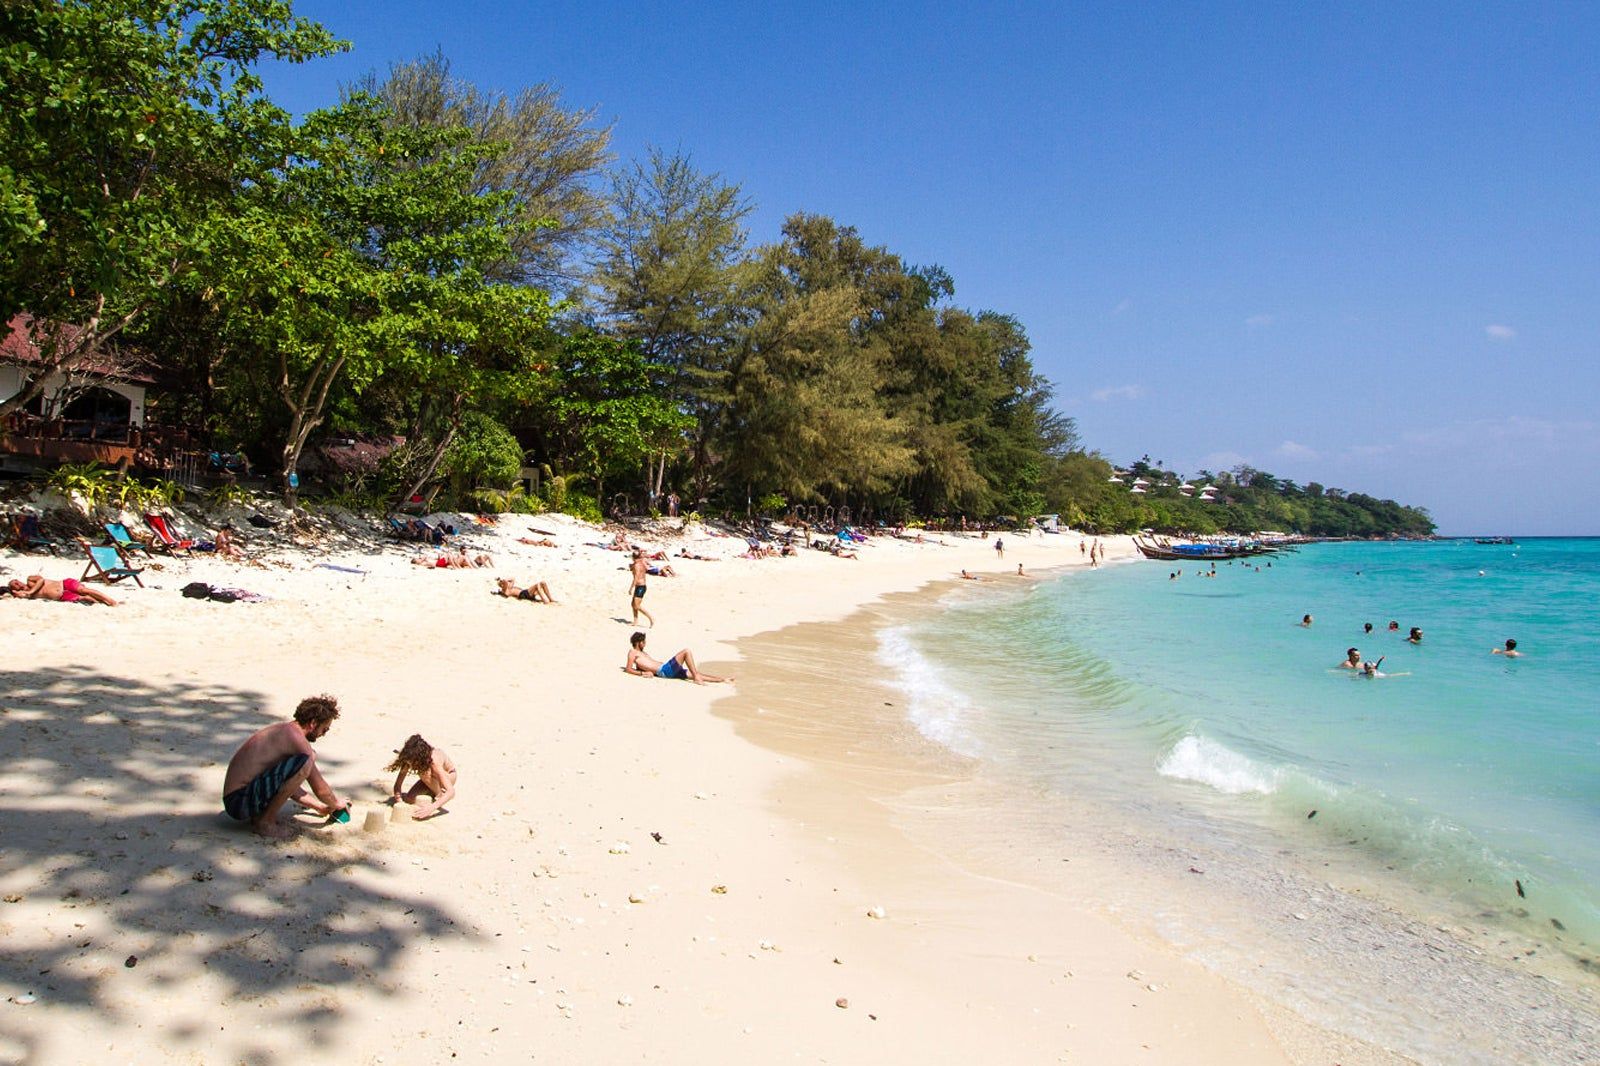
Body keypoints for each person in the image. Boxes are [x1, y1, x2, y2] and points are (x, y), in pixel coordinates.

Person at [221, 695, 349, 840]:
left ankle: (262, 817)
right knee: (307, 760)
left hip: (238, 797)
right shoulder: (297, 740)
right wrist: (337, 803)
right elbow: (320, 789)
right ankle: (265, 823)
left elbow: (287, 782)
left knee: (305, 760)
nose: (323, 734)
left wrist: (320, 807)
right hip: (239, 801)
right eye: (324, 729)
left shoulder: (286, 731)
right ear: (313, 723)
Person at [387, 734, 457, 820]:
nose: (410, 765)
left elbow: (451, 792)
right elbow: (398, 785)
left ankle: (439, 794)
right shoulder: (409, 757)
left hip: (449, 776)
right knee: (410, 799)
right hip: (430, 779)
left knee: (426, 772)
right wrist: (400, 802)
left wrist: (431, 808)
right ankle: (433, 792)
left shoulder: (433, 761)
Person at [624, 631, 733, 685]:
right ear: (638, 642)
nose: (645, 644)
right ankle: (696, 678)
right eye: (644, 642)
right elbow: (628, 669)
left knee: (695, 672)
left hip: (666, 669)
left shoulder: (643, 653)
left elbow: (642, 666)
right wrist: (642, 674)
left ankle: (722, 679)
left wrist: (645, 672)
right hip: (665, 670)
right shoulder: (633, 652)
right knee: (686, 651)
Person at [5, 575, 118, 606]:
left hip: (64, 584)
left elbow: (41, 580)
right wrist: (16, 593)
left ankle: (111, 601)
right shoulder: (23, 594)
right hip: (61, 596)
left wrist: (30, 591)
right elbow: (10, 596)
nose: (17, 584)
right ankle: (103, 603)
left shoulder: (30, 580)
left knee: (84, 590)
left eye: (16, 581)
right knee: (85, 598)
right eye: (14, 585)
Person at [629, 548, 655, 627]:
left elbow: (636, 577)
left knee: (637, 605)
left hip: (640, 586)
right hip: (640, 586)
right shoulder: (642, 562)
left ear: (633, 557)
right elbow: (646, 568)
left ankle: (651, 618)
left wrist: (631, 588)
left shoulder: (637, 565)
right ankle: (635, 621)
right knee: (633, 604)